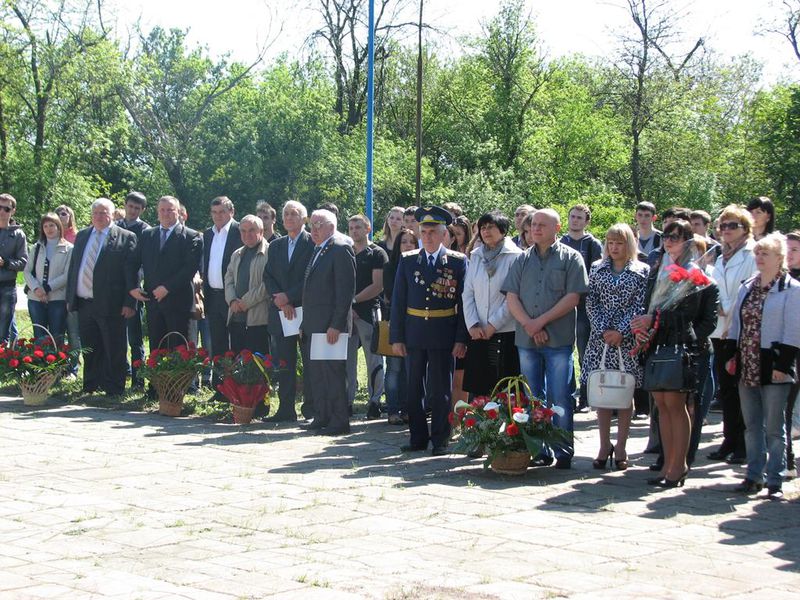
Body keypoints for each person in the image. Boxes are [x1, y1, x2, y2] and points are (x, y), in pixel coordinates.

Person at [630, 220, 718, 488]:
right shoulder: (660, 271)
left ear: (688, 241)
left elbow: (700, 321)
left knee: (678, 408)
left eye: (676, 237)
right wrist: (644, 327)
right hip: (658, 347)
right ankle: (667, 464)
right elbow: (651, 305)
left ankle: (678, 467)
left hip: (685, 351)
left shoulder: (697, 277)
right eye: (666, 236)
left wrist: (655, 319)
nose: (669, 241)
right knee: (662, 409)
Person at [503, 209, 588, 468]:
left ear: (557, 227)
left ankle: (562, 450)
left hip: (558, 340)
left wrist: (540, 322)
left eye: (542, 225)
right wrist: (530, 325)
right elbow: (511, 297)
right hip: (527, 340)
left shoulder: (571, 258)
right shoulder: (521, 260)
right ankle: (539, 450)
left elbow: (573, 297)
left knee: (560, 395)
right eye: (533, 225)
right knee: (532, 397)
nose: (536, 229)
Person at [725, 233, 800, 500]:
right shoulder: (747, 286)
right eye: (757, 253)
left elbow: (793, 332)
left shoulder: (791, 289)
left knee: (773, 427)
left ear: (779, 258)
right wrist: (733, 354)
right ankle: (753, 476)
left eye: (764, 254)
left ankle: (774, 480)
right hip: (748, 362)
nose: (758, 258)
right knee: (751, 424)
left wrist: (783, 364)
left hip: (774, 364)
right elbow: (736, 324)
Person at [390, 206, 468, 455]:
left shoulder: (457, 262)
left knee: (441, 390)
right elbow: (398, 301)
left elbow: (464, 304)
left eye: (433, 232)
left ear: (444, 233)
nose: (428, 236)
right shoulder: (409, 259)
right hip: (414, 332)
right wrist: (396, 337)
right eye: (424, 231)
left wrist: (461, 339)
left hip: (443, 333)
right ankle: (417, 438)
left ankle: (441, 438)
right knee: (413, 389)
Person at [583, 224, 648, 470]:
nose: (614, 247)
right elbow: (592, 303)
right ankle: (603, 445)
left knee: (624, 391)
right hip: (601, 340)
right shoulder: (596, 269)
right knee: (602, 391)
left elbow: (640, 305)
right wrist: (604, 331)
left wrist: (621, 331)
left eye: (619, 243)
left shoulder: (642, 271)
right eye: (610, 242)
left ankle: (621, 446)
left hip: (628, 340)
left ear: (629, 244)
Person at [66, 198, 137, 395]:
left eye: (103, 212)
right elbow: (74, 268)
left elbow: (131, 274)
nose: (99, 216)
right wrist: (69, 298)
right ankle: (91, 384)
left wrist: (130, 302)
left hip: (112, 304)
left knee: (114, 347)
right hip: (84, 301)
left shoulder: (125, 237)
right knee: (90, 346)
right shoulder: (82, 236)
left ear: (113, 214)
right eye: (96, 212)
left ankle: (114, 387)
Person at [707, 206, 757, 464]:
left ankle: (743, 443)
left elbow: (751, 289)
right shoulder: (719, 255)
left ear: (745, 228)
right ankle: (729, 438)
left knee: (741, 387)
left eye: (732, 226)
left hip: (741, 330)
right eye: (723, 226)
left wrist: (728, 309)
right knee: (726, 388)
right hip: (720, 329)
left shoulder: (751, 254)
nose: (726, 231)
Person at [301, 209, 356, 435]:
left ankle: (338, 420)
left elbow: (345, 292)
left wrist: (336, 324)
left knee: (333, 374)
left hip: (331, 326)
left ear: (331, 226)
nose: (313, 229)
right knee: (317, 373)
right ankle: (322, 415)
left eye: (318, 225)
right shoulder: (318, 249)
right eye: (311, 225)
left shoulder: (340, 249)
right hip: (314, 324)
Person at [264, 200, 315, 422]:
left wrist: (291, 297)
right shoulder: (276, 245)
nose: (289, 218)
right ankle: (286, 409)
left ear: (304, 218)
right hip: (282, 312)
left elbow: (311, 276)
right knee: (284, 362)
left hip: (306, 311)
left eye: (294, 214)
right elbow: (268, 276)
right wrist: (281, 301)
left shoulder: (313, 242)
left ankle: (311, 408)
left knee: (309, 361)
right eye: (286, 214)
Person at [130, 196, 203, 351]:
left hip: (179, 304)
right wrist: (133, 287)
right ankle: (158, 377)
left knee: (181, 353)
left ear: (178, 213)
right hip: (154, 303)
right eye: (162, 210)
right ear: (157, 212)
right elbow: (132, 263)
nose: (165, 213)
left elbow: (189, 269)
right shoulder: (147, 235)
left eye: (170, 210)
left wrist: (167, 288)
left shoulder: (191, 236)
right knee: (157, 352)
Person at [461, 210, 522, 397]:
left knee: (505, 390)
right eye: (482, 228)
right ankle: (481, 426)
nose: (485, 231)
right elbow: (468, 293)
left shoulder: (516, 256)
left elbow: (512, 297)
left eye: (491, 227)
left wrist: (493, 325)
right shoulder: (476, 255)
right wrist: (472, 324)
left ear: (503, 230)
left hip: (506, 331)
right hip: (478, 332)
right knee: (480, 391)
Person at [225, 214, 270, 417]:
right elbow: (229, 279)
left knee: (258, 366)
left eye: (251, 230)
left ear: (261, 231)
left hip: (257, 319)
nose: (247, 234)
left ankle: (260, 406)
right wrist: (233, 301)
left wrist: (246, 302)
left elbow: (267, 285)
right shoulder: (237, 254)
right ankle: (241, 405)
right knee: (238, 364)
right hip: (236, 317)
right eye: (243, 231)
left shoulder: (269, 252)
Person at [560, 204, 603, 412]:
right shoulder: (560, 243)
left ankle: (586, 397)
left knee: (585, 351)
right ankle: (567, 396)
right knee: (563, 351)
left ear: (587, 222)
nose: (575, 220)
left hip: (586, 306)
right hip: (562, 306)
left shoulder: (593, 244)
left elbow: (597, 275)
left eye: (579, 218)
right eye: (572, 217)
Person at [346, 214, 387, 418]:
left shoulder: (377, 253)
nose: (354, 231)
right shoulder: (346, 252)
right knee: (347, 360)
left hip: (369, 311)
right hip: (347, 315)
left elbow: (377, 285)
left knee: (373, 358)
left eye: (358, 227)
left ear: (368, 229)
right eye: (351, 228)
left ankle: (375, 401)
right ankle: (347, 401)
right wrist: (347, 306)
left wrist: (354, 301)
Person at [203, 196, 242, 388]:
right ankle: (219, 386)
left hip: (233, 296)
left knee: (234, 343)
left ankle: (235, 386)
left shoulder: (239, 231)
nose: (218, 216)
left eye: (222, 212)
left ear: (231, 212)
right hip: (213, 296)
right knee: (217, 344)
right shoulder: (208, 234)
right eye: (215, 212)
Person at [383, 228, 418, 424]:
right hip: (396, 321)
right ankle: (393, 410)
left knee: (409, 369)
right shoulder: (390, 266)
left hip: (415, 324)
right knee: (394, 369)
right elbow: (390, 294)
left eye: (411, 242)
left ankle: (407, 409)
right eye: (404, 242)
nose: (407, 245)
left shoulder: (419, 264)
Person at [116, 191, 150, 390]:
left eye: (137, 208)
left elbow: (144, 263)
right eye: (130, 206)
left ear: (142, 210)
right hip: (115, 288)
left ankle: (138, 380)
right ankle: (121, 374)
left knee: (135, 338)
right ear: (125, 205)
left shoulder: (145, 230)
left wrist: (135, 285)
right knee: (116, 336)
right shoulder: (116, 227)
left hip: (135, 289)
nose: (133, 210)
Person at [23, 213, 73, 342]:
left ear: (58, 227)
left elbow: (67, 275)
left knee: (57, 336)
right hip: (36, 298)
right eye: (45, 226)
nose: (49, 229)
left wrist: (46, 288)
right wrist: (37, 289)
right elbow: (27, 271)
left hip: (57, 298)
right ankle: (40, 362)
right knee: (39, 337)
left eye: (52, 225)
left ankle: (58, 362)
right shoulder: (36, 247)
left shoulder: (69, 248)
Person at [0, 193, 28, 343]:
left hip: (7, 287)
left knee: (3, 333)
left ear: (13, 211)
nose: (2, 212)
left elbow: (24, 262)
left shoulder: (19, 235)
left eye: (6, 208)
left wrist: (5, 263)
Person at [785, 231, 800, 478]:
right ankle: (786, 460)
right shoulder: (778, 279)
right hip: (786, 351)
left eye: (794, 250)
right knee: (785, 407)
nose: (789, 254)